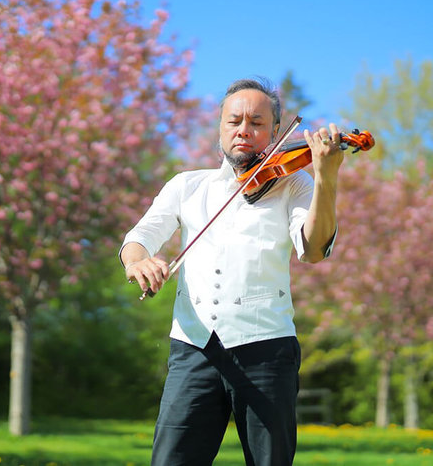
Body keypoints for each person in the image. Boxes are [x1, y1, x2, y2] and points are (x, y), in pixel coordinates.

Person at [119, 77, 345, 466]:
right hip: (193, 346)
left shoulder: (295, 184)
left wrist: (326, 176)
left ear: (275, 132)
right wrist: (138, 261)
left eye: (257, 122)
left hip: (267, 349)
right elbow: (140, 237)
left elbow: (313, 249)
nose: (244, 130)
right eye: (234, 121)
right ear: (220, 128)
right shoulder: (187, 185)